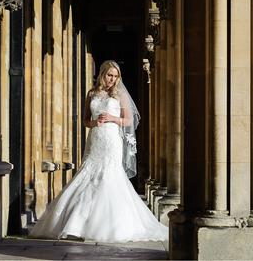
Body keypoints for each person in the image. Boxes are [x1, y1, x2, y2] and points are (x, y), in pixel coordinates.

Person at [29, 60, 168, 242]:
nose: (112, 79)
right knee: (88, 174)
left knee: (109, 176)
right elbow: (86, 119)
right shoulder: (92, 93)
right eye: (109, 75)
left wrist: (111, 118)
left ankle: (109, 225)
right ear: (102, 74)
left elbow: (128, 121)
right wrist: (94, 123)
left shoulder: (119, 95)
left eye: (115, 76)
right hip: (95, 139)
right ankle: (76, 224)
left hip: (111, 140)